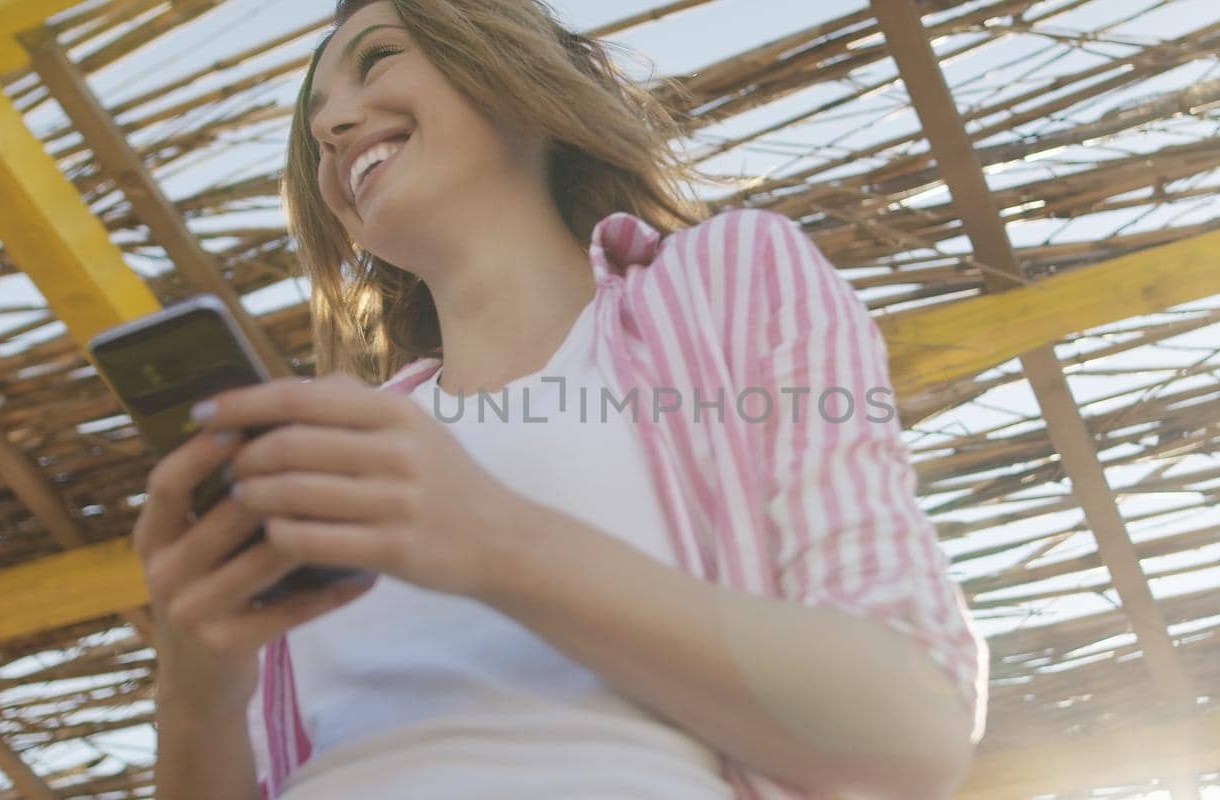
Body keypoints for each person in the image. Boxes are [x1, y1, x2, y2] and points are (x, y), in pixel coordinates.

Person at [132, 1, 989, 798]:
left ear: (510, 72)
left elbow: (911, 728)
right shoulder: (338, 450)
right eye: (317, 120)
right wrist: (195, 696)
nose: (327, 126)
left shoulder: (725, 281)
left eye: (380, 58)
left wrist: (493, 538)